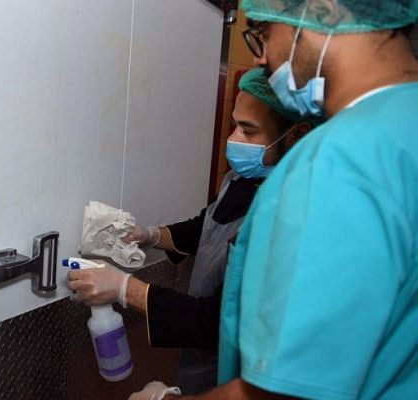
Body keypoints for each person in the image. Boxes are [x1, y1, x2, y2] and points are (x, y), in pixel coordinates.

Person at [128, 0, 418, 399]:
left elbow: (287, 392)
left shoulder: (336, 165)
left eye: (263, 32)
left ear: (323, 9)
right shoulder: (402, 126)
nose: (260, 56)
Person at [67, 68, 317, 393]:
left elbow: (218, 319)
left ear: (297, 134)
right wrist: (152, 235)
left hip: (236, 374)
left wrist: (124, 289)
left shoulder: (292, 213)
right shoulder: (240, 179)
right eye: (234, 124)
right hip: (200, 357)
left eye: (248, 130)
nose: (233, 139)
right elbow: (207, 226)